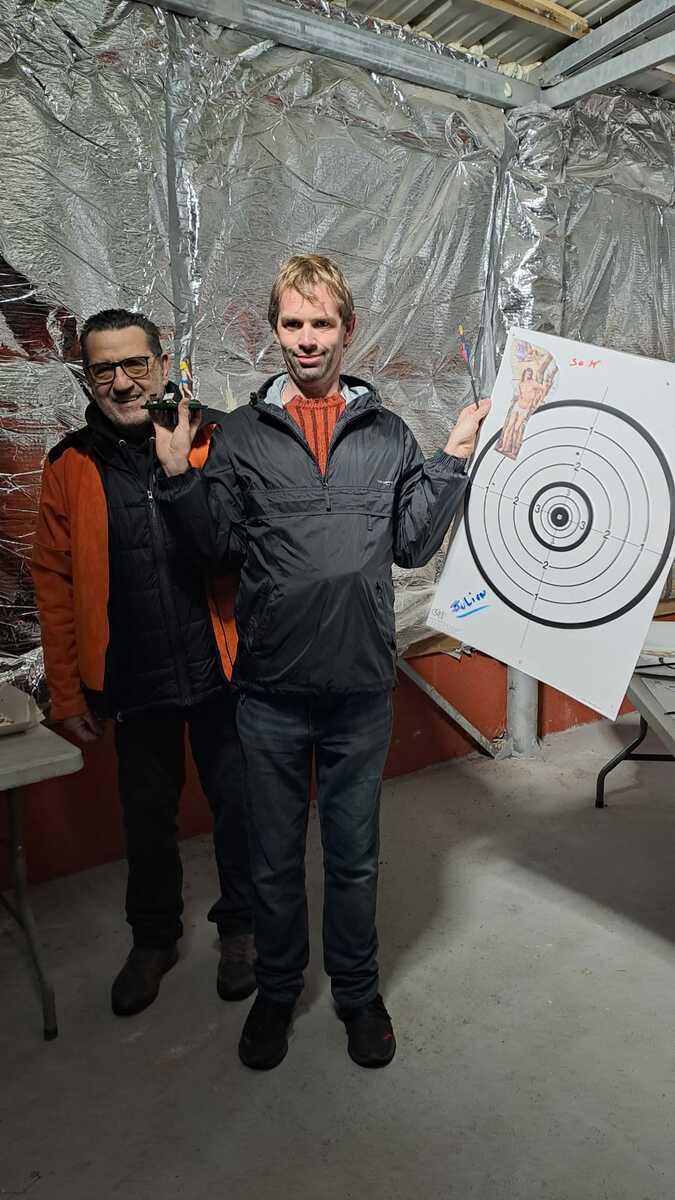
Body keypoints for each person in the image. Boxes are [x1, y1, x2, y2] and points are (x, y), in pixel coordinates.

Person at [153, 256, 490, 1070]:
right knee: (272, 862)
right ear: (275, 330)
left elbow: (411, 544)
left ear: (347, 329)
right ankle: (276, 992)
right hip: (269, 695)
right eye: (292, 323)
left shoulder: (387, 434)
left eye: (321, 323)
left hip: (359, 693)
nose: (306, 339)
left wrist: (451, 455)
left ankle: (357, 993)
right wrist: (175, 475)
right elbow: (216, 549)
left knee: (354, 860)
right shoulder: (240, 435)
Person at [31, 309, 255, 1017]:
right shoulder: (70, 465)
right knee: (147, 821)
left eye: (135, 364)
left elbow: (247, 547)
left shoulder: (213, 439)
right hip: (133, 679)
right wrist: (68, 693)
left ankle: (243, 929)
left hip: (220, 671)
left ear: (162, 365)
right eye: (104, 369)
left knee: (239, 809)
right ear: (88, 378)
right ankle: (153, 940)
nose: (123, 383)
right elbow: (54, 584)